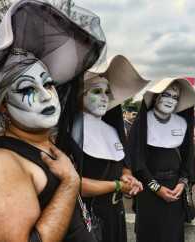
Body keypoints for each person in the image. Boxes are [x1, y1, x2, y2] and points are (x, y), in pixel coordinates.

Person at [0, 1, 106, 241]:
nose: (45, 95)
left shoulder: (45, 145)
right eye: (27, 89)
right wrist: (70, 183)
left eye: (47, 83)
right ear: (3, 105)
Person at [58, 55, 148, 242]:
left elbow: (123, 164)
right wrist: (116, 186)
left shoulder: (112, 130)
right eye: (97, 91)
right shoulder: (69, 132)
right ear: (80, 95)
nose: (104, 98)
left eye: (107, 93)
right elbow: (71, 185)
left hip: (115, 214)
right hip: (87, 217)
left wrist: (126, 176)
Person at [128, 78, 195, 242]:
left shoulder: (182, 123)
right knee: (149, 233)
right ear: (156, 97)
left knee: (172, 233)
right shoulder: (142, 122)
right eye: (167, 95)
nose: (171, 100)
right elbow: (137, 161)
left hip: (174, 189)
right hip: (148, 190)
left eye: (175, 97)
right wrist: (156, 188)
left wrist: (182, 184)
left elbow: (187, 160)